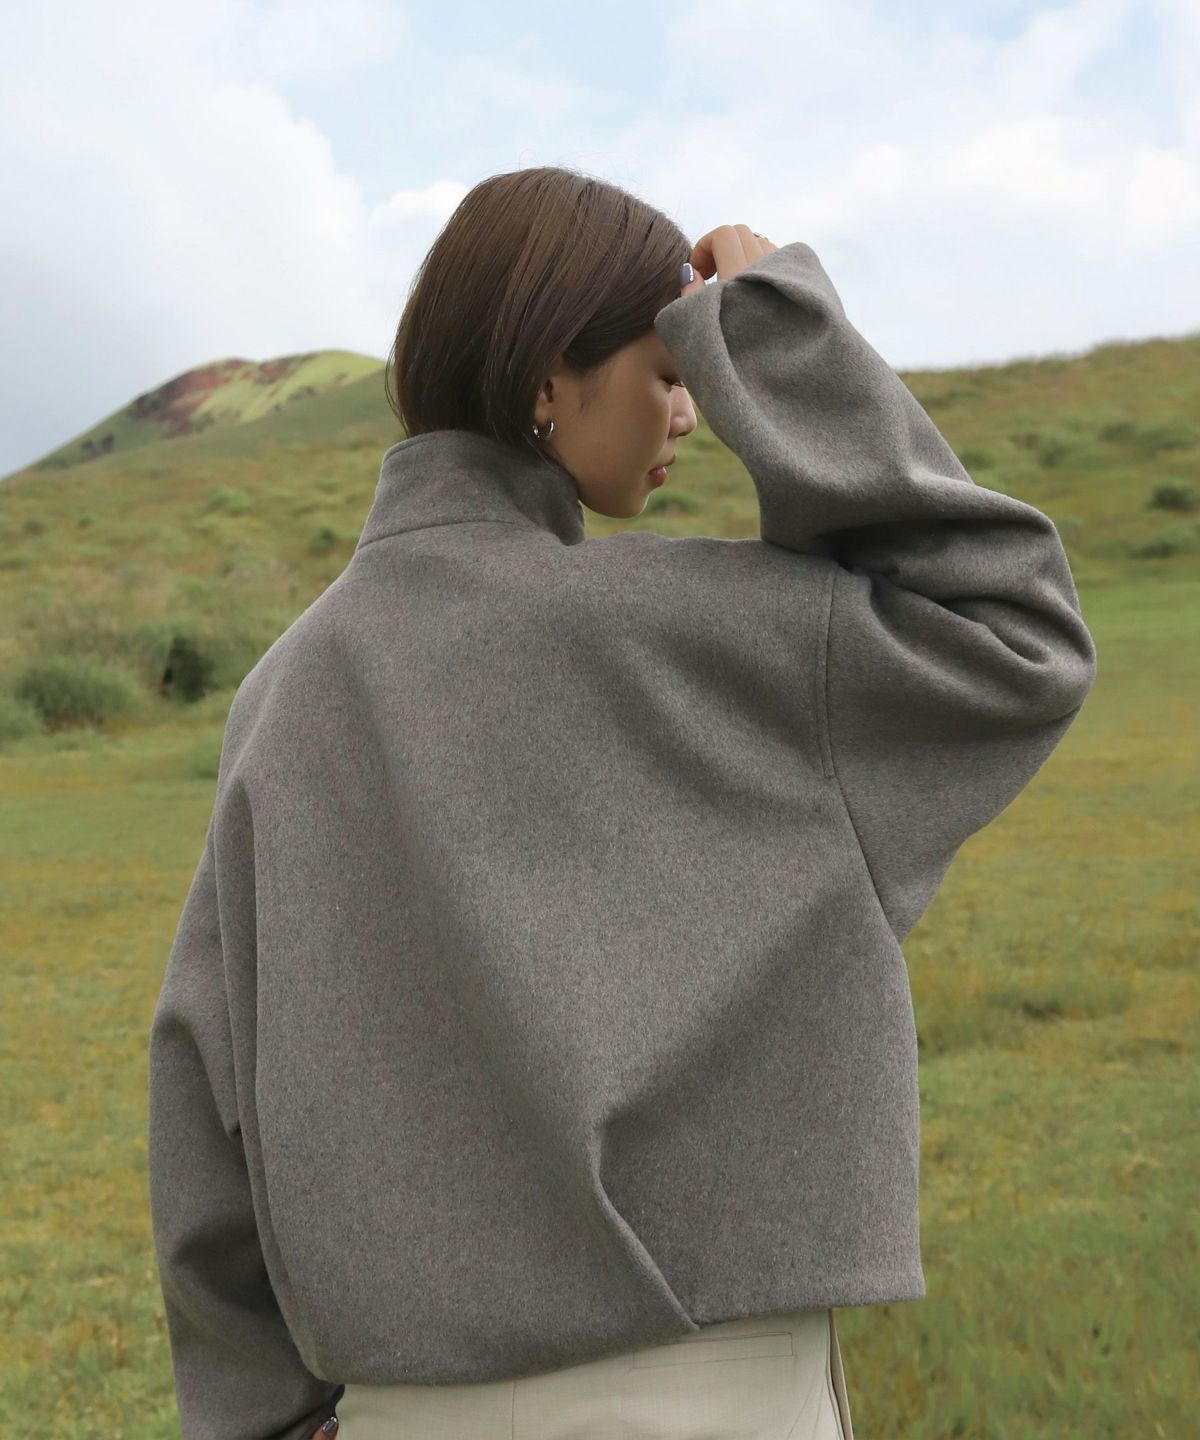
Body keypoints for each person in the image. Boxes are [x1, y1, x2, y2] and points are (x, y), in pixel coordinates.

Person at [147, 167, 1096, 1440]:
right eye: (668, 368)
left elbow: (203, 1087)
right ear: (550, 379)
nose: (691, 411)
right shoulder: (708, 634)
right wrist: (777, 334)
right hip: (717, 1399)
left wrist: (265, 1418)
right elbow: (1016, 629)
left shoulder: (281, 696)